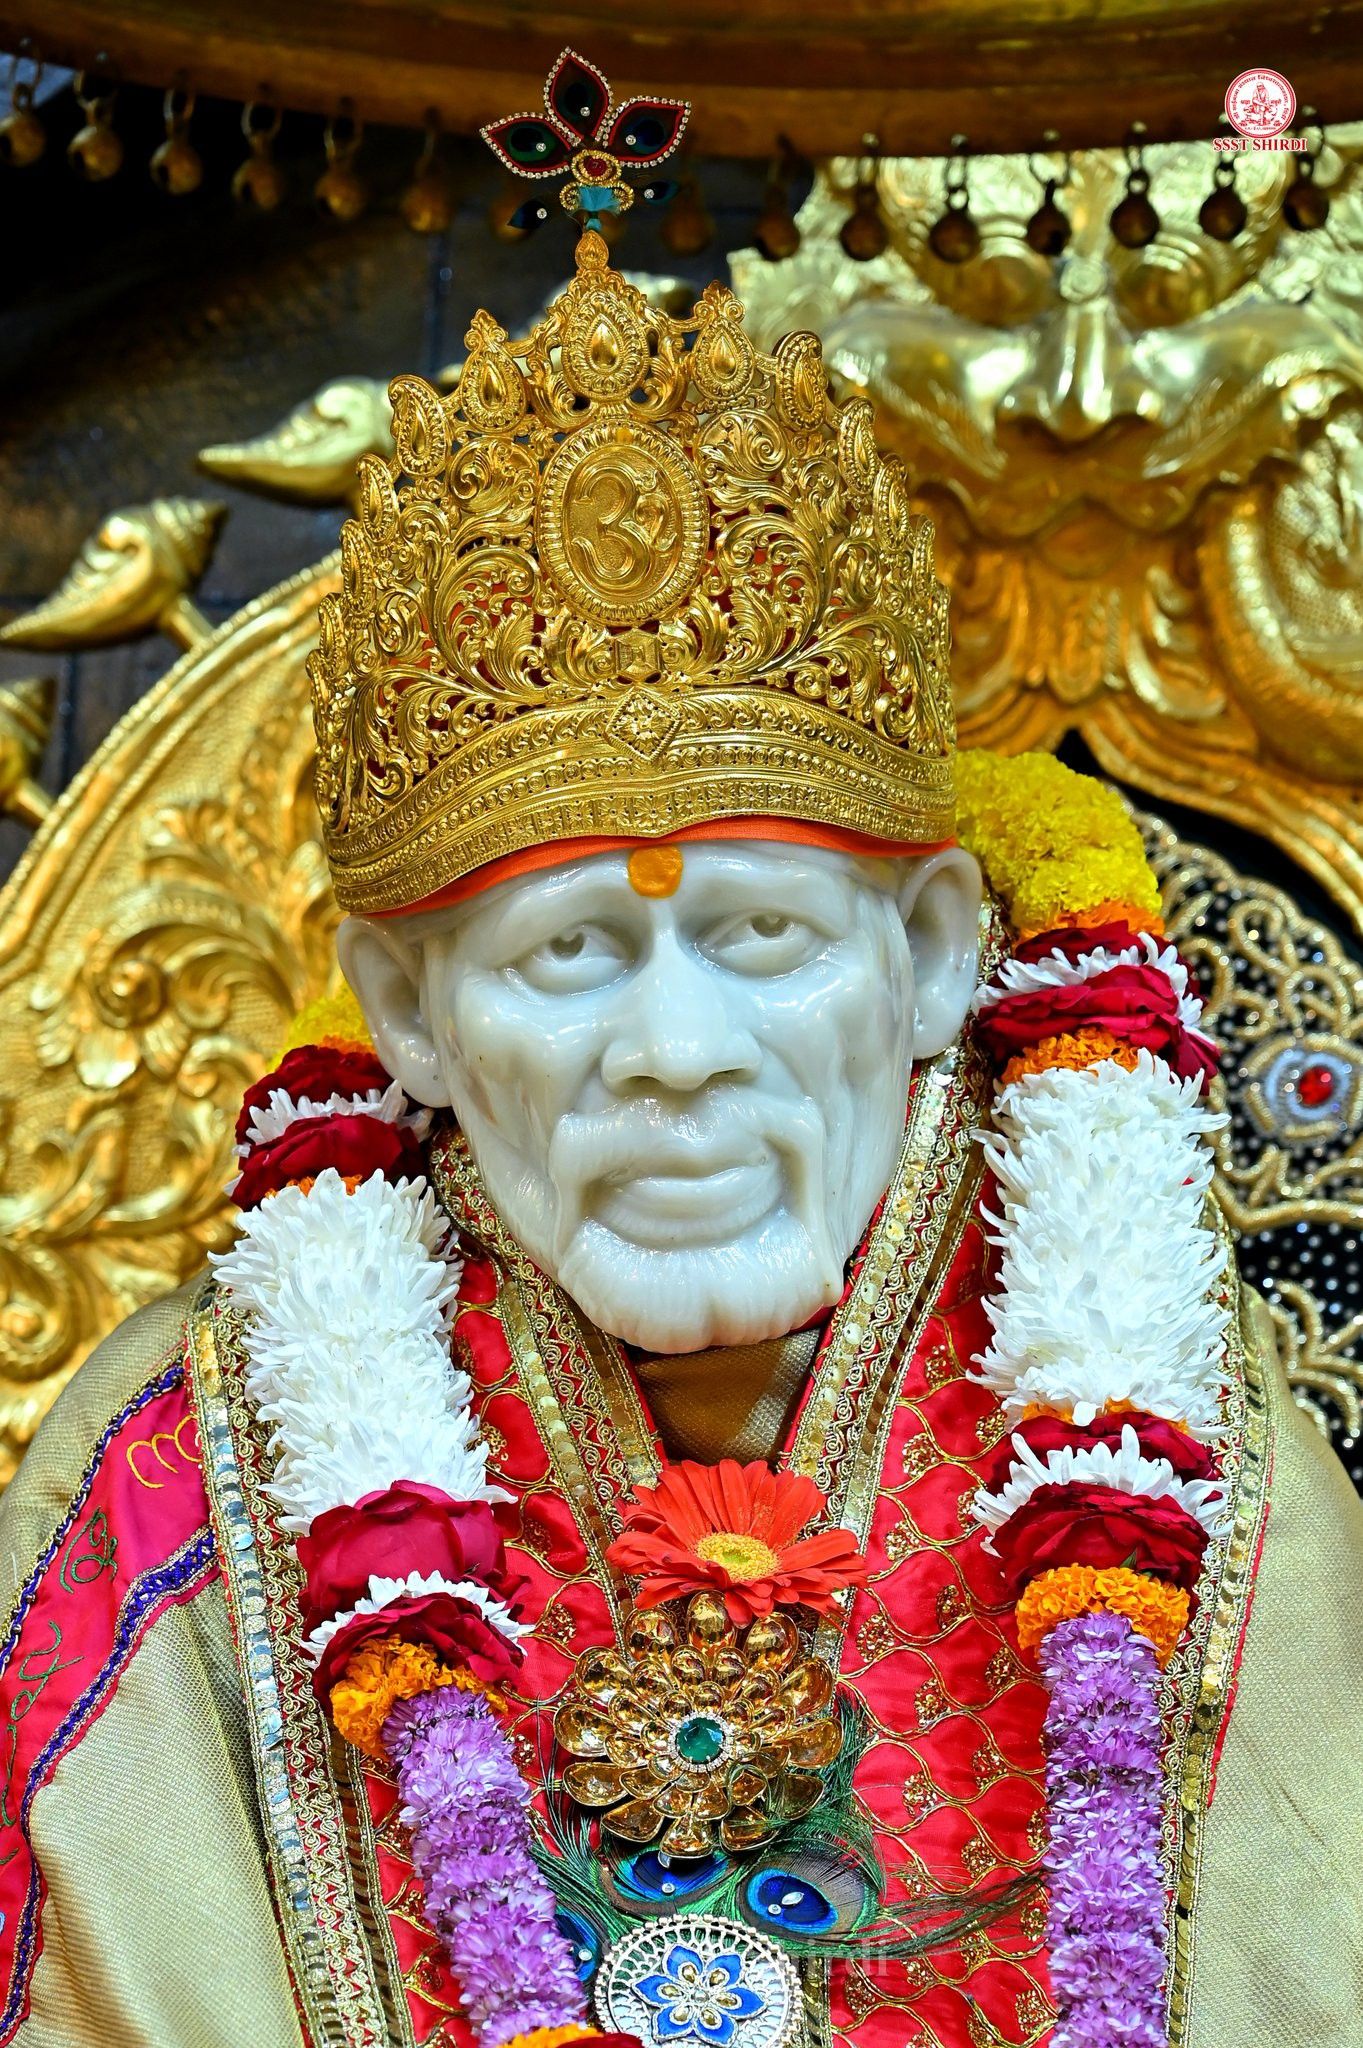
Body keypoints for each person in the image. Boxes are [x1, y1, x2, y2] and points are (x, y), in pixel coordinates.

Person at [0, 67, 1360, 2048]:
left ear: (930, 958)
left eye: (758, 938)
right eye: (564, 956)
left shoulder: (1202, 1457)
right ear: (401, 1013)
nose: (674, 1055)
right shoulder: (165, 1501)